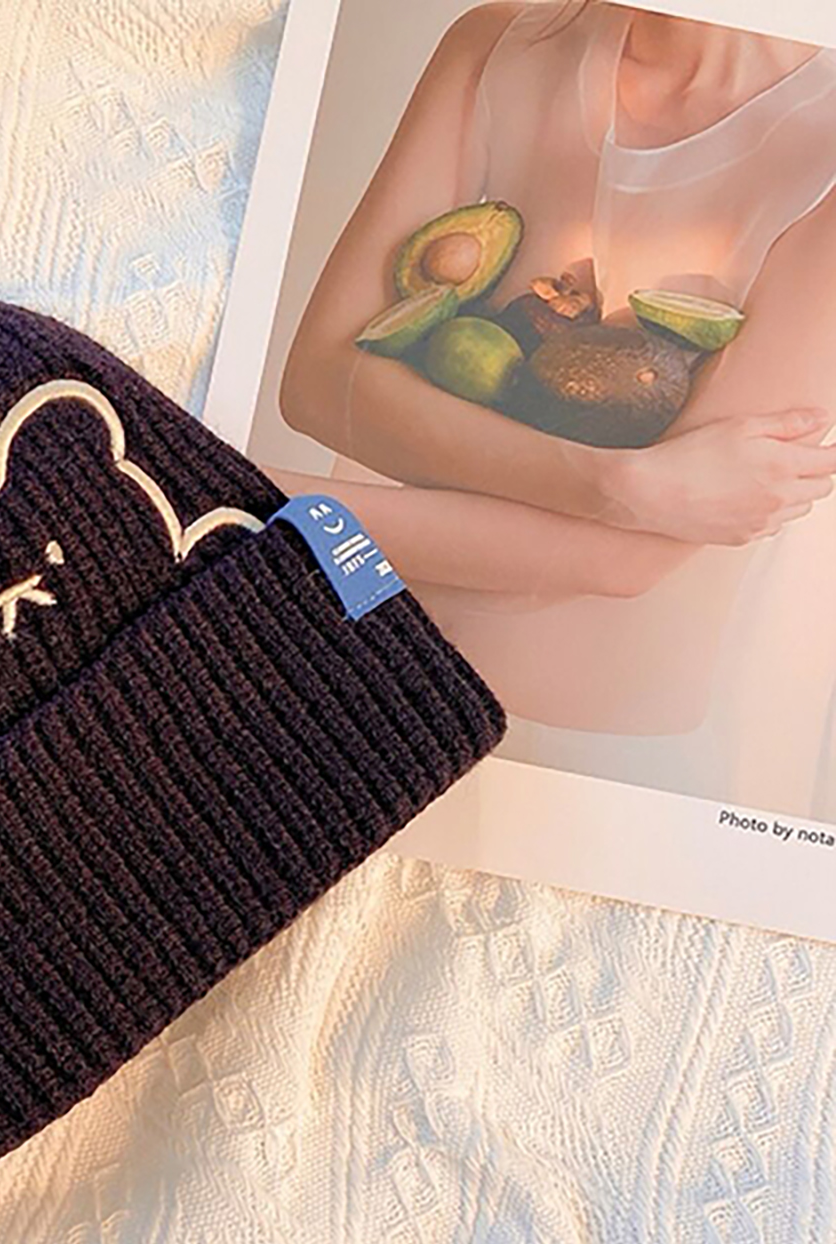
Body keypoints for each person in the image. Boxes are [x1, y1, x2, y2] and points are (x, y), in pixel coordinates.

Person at [274, 0, 836, 817]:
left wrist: (277, 509)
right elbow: (319, 382)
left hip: (595, 785)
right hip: (336, 689)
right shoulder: (498, 45)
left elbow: (624, 561)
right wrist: (621, 484)